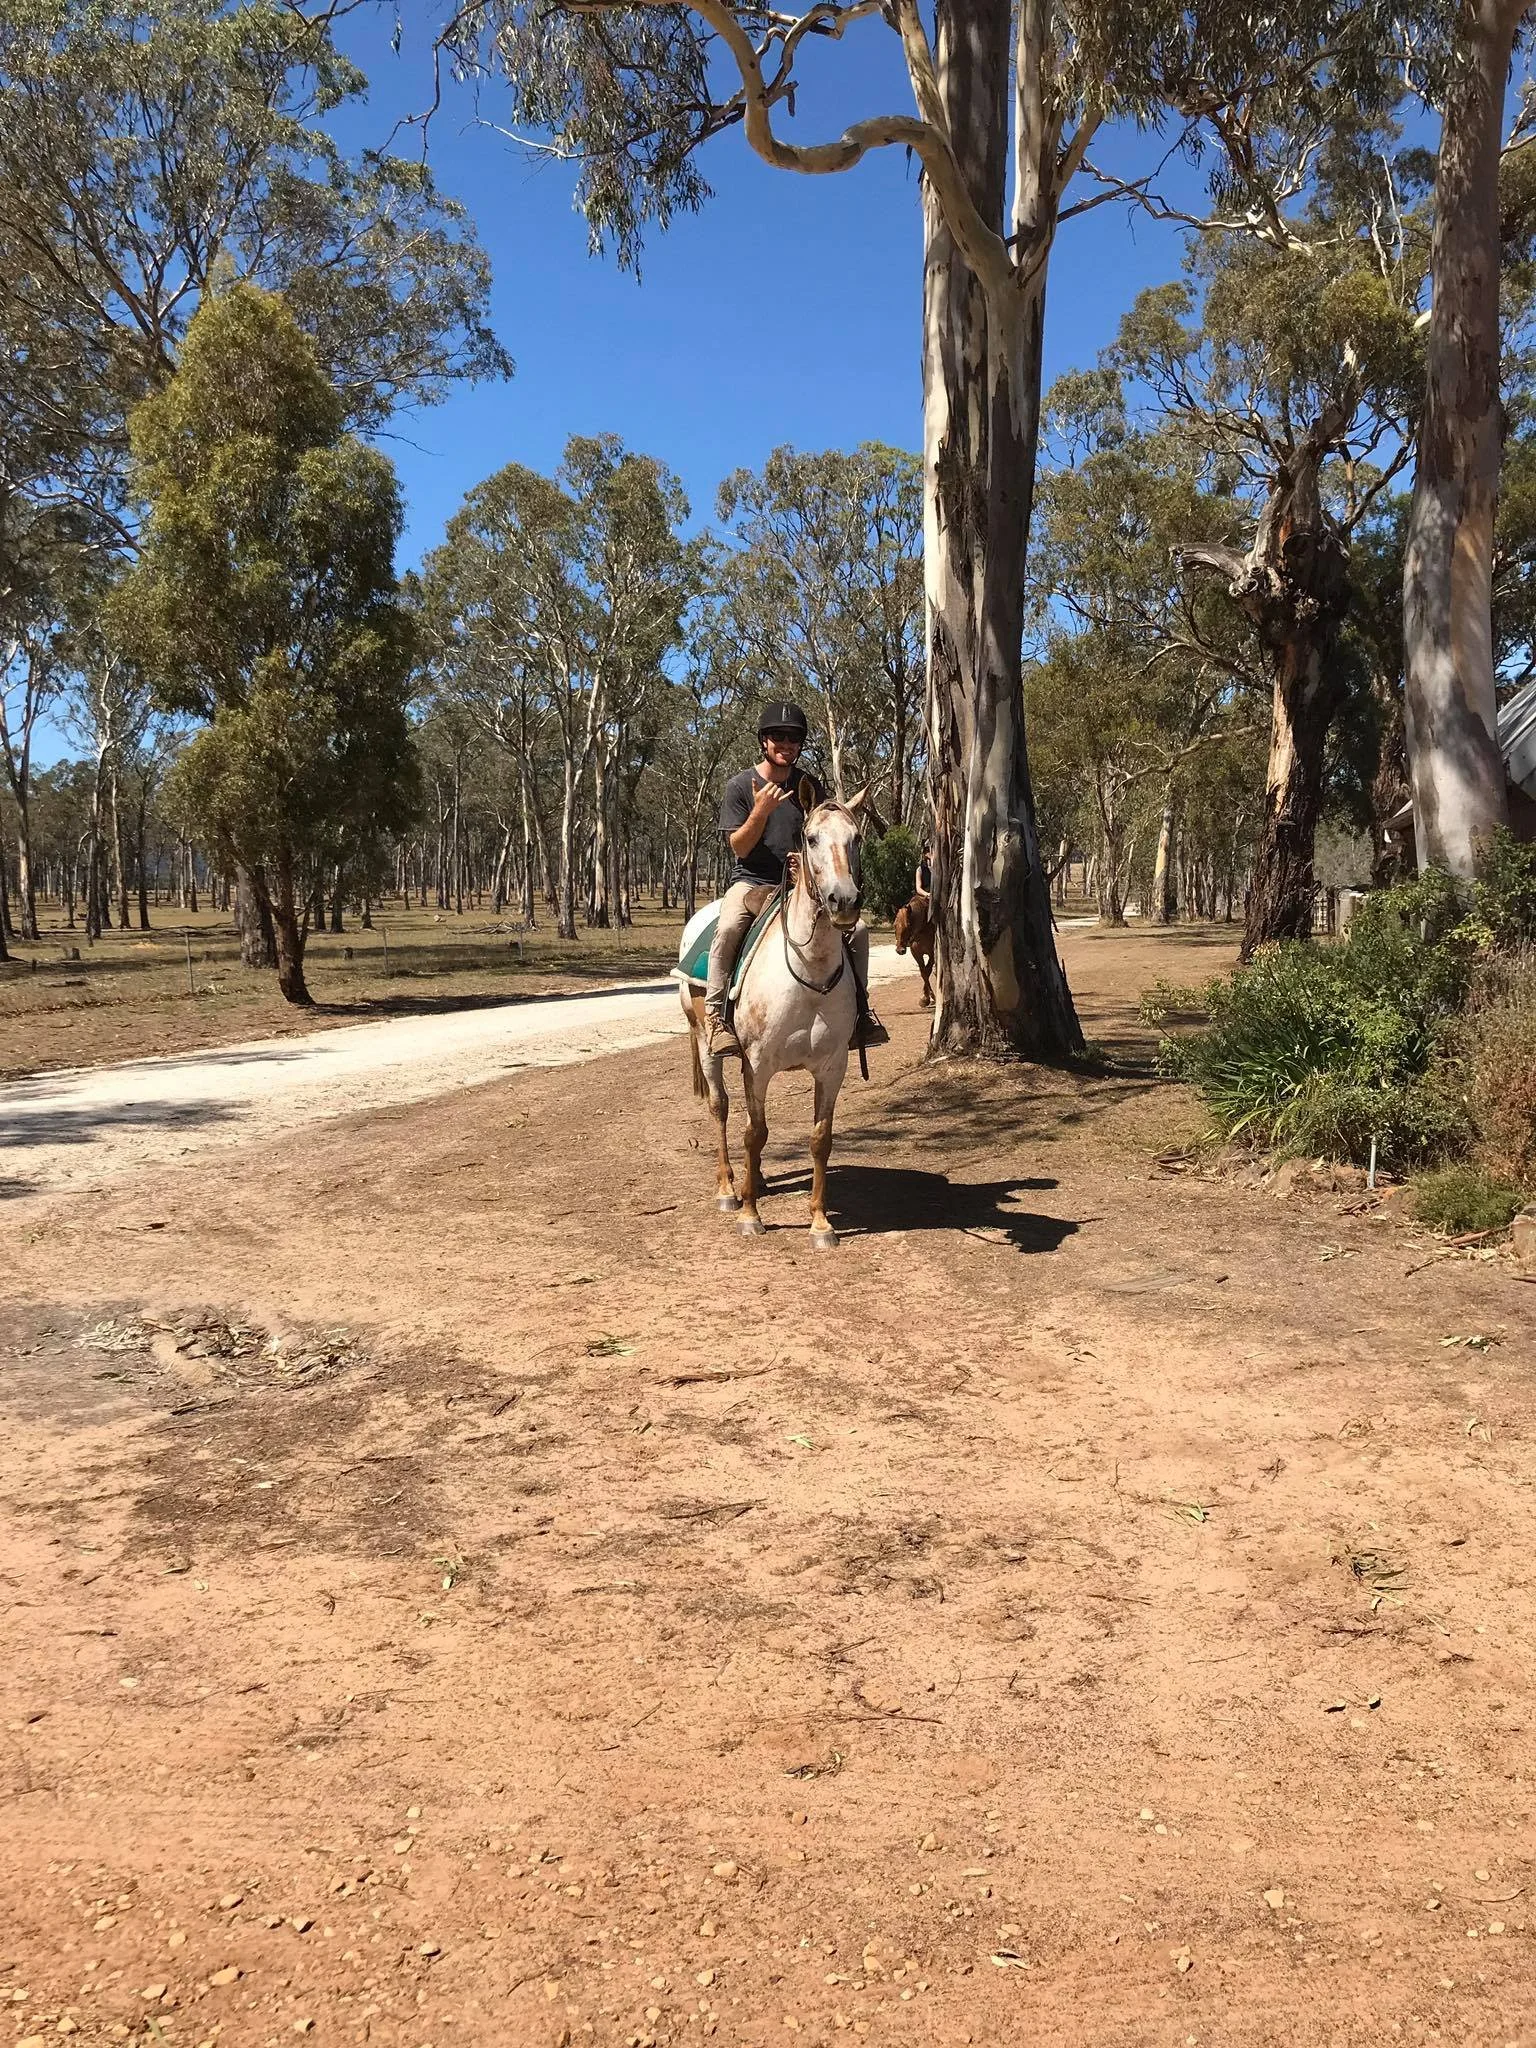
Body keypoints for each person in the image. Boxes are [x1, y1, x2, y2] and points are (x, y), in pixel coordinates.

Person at [704, 700, 887, 1060]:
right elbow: (738, 847)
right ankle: (714, 1017)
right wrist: (760, 811)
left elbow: (820, 836)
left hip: (801, 888)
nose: (786, 744)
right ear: (763, 741)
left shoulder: (809, 785)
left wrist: (804, 865)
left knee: (860, 931)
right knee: (727, 927)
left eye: (794, 738)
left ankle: (861, 1012)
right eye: (777, 736)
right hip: (752, 882)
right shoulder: (741, 785)